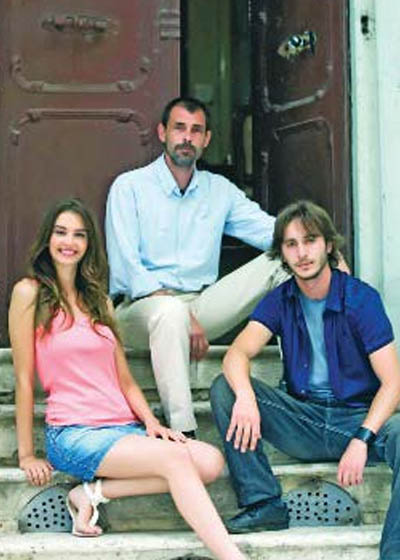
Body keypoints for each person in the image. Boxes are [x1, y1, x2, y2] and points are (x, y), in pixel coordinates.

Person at [8, 198, 246, 560]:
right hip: (75, 433)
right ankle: (231, 555)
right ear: (48, 239)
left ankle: (90, 494)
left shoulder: (99, 301)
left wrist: (152, 423)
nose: (69, 242)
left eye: (79, 235)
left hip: (122, 429)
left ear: (88, 244)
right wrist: (26, 454)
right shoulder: (29, 293)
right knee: (176, 461)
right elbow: (23, 379)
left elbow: (126, 380)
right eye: (61, 233)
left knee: (210, 461)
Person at [210, 200, 400, 560]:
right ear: (281, 253)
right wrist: (247, 398)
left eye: (310, 240)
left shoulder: (360, 299)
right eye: (291, 244)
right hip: (305, 420)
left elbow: (393, 384)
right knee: (225, 388)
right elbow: (237, 354)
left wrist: (362, 439)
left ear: (328, 245)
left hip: (356, 420)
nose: (302, 253)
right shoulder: (281, 300)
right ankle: (264, 503)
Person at [105, 96, 290, 436]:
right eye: (179, 128)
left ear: (206, 139)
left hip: (201, 305)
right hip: (139, 311)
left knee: (289, 259)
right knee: (170, 313)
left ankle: (305, 380)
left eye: (196, 130)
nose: (187, 138)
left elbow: (272, 232)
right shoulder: (129, 188)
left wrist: (322, 247)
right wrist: (180, 312)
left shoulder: (219, 191)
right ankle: (184, 431)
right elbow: (127, 268)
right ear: (162, 133)